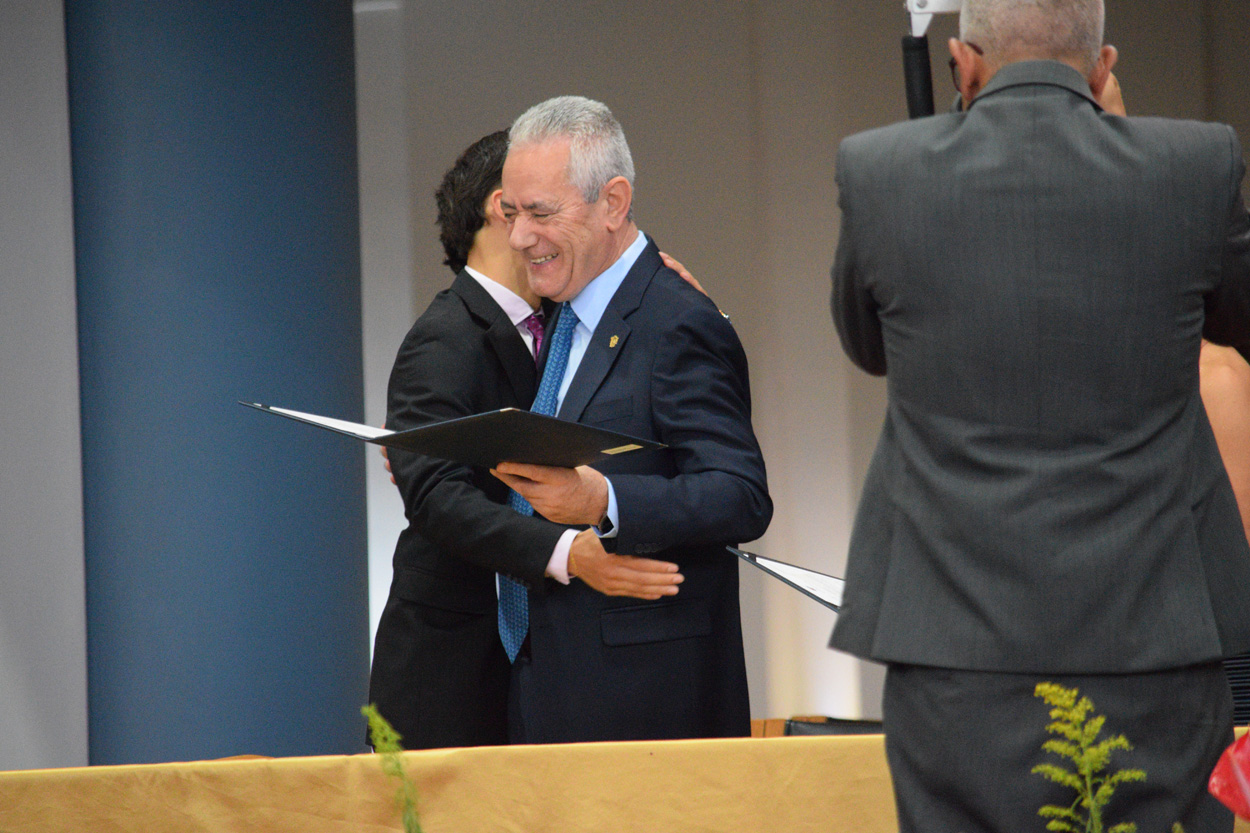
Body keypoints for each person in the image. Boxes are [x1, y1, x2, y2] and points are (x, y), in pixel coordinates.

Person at [828, 0, 1250, 830]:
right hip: (1156, 640)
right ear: (1103, 67)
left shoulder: (881, 170)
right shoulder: (1194, 166)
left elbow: (868, 347)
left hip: (953, 645)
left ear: (961, 64)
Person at [368, 130, 681, 749]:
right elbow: (435, 496)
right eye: (542, 202)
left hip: (551, 675)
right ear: (503, 206)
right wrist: (567, 552)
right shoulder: (443, 335)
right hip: (451, 677)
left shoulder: (572, 327)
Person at [489, 95, 772, 743]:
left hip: (646, 709)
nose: (520, 236)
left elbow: (741, 495)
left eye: (541, 213)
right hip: (546, 692)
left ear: (613, 203)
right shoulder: (560, 317)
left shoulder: (678, 320)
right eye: (511, 213)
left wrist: (603, 500)